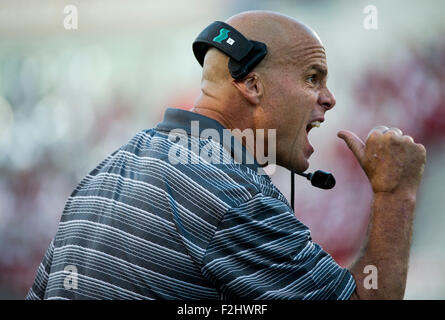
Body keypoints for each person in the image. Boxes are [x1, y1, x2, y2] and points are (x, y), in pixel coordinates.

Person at [26, 10, 426, 300]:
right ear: (251, 85)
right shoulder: (233, 194)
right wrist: (396, 192)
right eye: (312, 78)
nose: (329, 98)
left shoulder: (106, 169)